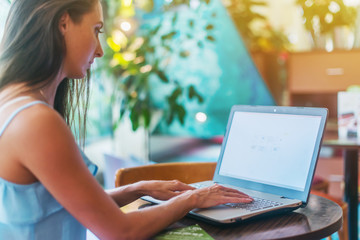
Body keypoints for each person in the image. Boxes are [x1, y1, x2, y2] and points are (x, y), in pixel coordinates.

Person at [0, 0, 253, 239]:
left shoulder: (11, 104)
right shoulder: (35, 121)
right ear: (63, 23)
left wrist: (138, 189)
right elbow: (120, 232)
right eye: (96, 30)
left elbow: (62, 204)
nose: (99, 51)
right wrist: (192, 199)